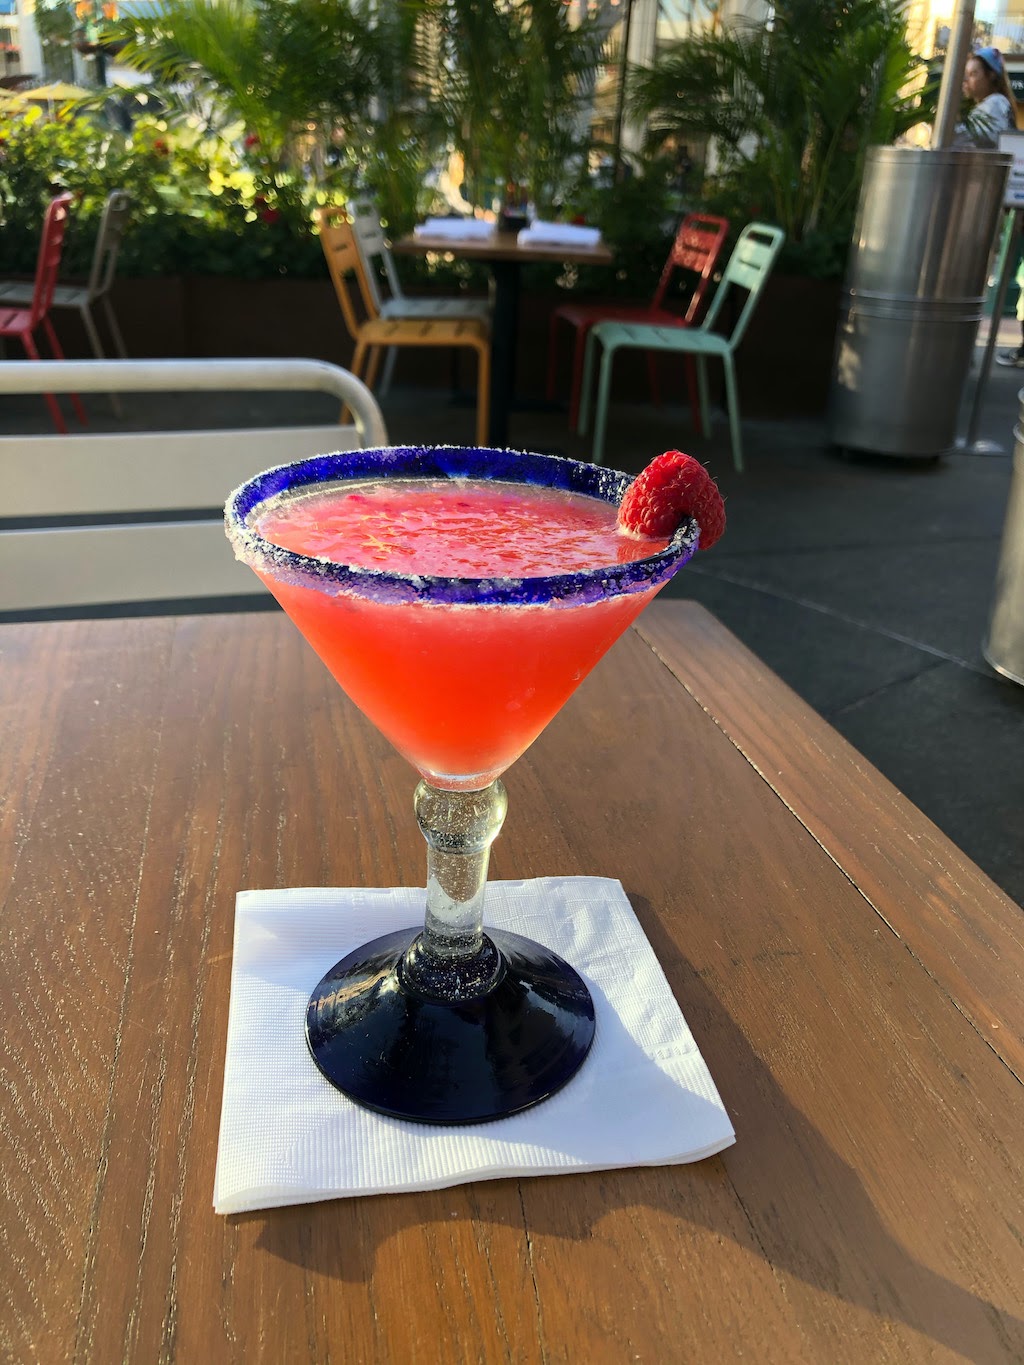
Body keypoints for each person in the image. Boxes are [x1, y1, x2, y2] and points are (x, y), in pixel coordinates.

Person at [953, 47, 1020, 149]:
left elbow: (967, 136)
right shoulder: (991, 104)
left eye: (973, 74)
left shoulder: (996, 103)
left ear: (991, 75)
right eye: (966, 74)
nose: (965, 80)